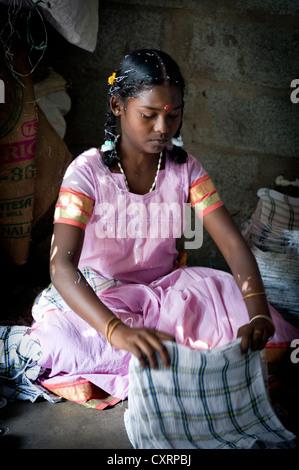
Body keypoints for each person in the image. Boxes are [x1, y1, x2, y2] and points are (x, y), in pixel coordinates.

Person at [30, 49, 299, 402]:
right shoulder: (87, 173)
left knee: (262, 326)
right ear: (117, 106)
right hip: (102, 298)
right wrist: (116, 331)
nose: (163, 128)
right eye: (149, 115)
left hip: (169, 293)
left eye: (173, 115)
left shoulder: (185, 169)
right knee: (62, 341)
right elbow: (61, 267)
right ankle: (145, 357)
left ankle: (130, 364)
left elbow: (233, 246)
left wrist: (258, 312)